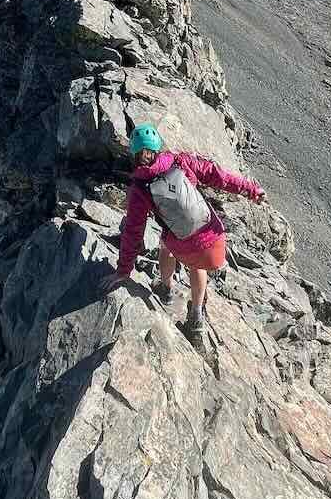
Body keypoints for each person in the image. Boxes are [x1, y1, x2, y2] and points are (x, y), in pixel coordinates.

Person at [102, 123, 266, 345]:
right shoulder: (179, 161)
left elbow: (133, 232)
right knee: (197, 262)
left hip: (182, 246)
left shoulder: (140, 188)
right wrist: (250, 189)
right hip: (215, 241)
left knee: (166, 244)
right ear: (158, 147)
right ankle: (196, 315)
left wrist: (123, 271)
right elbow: (217, 176)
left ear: (134, 153)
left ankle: (166, 287)